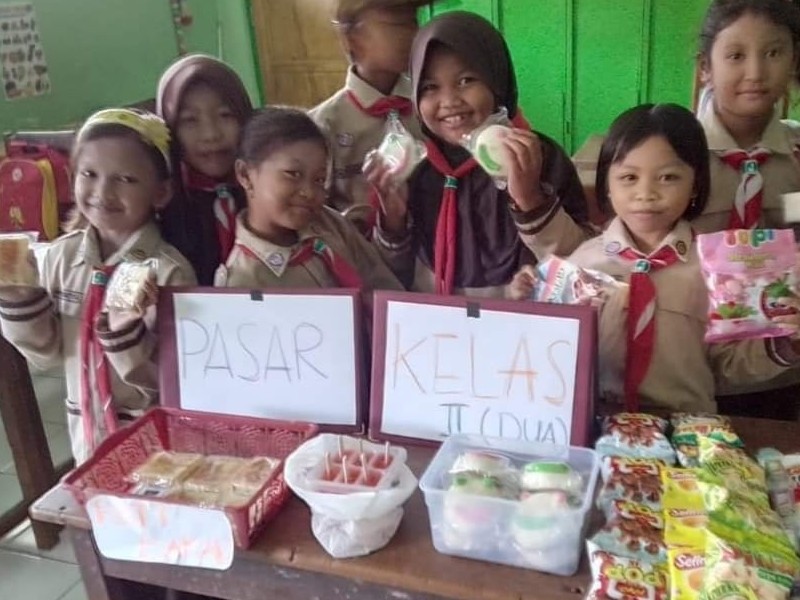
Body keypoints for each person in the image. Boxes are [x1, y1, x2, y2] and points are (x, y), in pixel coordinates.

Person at [507, 104, 800, 413]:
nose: (646, 193)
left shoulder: (717, 271)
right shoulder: (582, 264)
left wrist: (788, 343)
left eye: (668, 177)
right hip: (599, 424)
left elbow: (728, 366)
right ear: (607, 185)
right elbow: (553, 352)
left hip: (685, 429)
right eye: (629, 177)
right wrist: (527, 302)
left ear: (696, 184)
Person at [0, 109, 196, 462]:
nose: (103, 192)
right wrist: (21, 300)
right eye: (89, 174)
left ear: (161, 192)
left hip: (154, 438)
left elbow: (175, 376)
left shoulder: (169, 272)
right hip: (86, 434)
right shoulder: (60, 257)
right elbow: (47, 354)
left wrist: (124, 336)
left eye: (126, 179)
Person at [366, 11, 591, 297]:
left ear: (497, 80)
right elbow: (390, 276)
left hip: (524, 317)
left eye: (466, 80)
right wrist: (393, 221)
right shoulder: (416, 168)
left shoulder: (538, 158)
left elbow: (582, 264)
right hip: (434, 320)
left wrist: (531, 201)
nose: (449, 101)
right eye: (430, 87)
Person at [215, 106, 402, 298]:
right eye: (293, 174)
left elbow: (384, 286)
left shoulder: (331, 224)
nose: (310, 192)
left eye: (319, 179)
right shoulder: (243, 284)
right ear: (245, 174)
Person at [310, 0, 428, 225]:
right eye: (397, 24)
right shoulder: (323, 125)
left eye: (413, 22)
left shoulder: (429, 107)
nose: (414, 34)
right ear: (351, 39)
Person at [156, 54, 253, 284]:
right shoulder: (158, 205)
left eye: (225, 115)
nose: (211, 134)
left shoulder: (271, 193)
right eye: (190, 120)